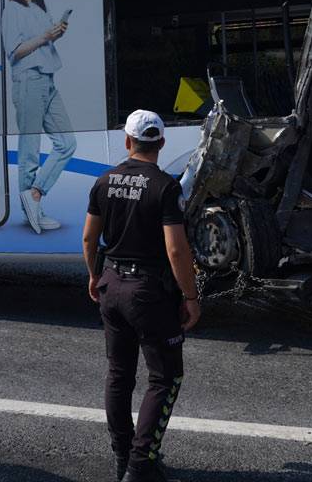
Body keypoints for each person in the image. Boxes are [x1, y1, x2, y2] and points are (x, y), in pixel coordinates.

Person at [83, 110, 201, 482]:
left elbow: (89, 238)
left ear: (127, 141)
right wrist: (191, 295)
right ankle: (140, 464)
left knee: (119, 375)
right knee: (166, 378)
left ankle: (123, 457)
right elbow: (177, 251)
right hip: (149, 293)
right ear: (161, 143)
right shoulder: (166, 187)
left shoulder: (104, 181)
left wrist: (93, 275)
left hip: (111, 286)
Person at [2, 0, 77, 233]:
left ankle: (34, 194)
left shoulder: (38, 7)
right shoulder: (12, 9)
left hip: (47, 80)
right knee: (30, 150)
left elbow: (41, 42)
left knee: (67, 143)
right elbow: (15, 51)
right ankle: (31, 208)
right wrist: (45, 37)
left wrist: (55, 33)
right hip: (28, 82)